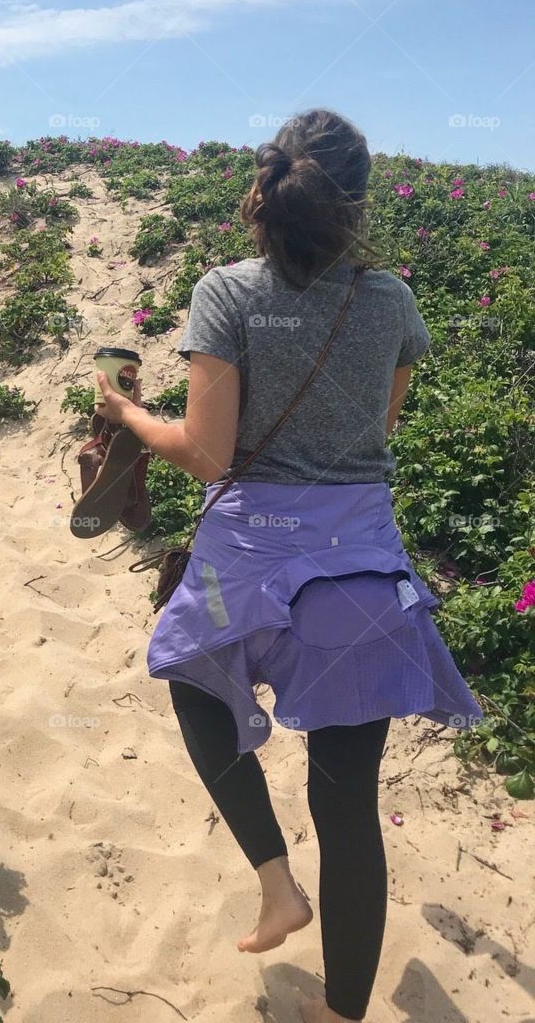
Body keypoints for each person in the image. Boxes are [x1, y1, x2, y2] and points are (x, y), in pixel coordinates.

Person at [94, 108, 485, 1023]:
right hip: (361, 572)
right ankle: (343, 1014)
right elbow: (373, 435)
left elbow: (208, 453)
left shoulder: (226, 293)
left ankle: (276, 884)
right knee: (349, 808)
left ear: (262, 192)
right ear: (354, 205)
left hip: (246, 557)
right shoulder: (389, 299)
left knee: (192, 679)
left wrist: (126, 418)